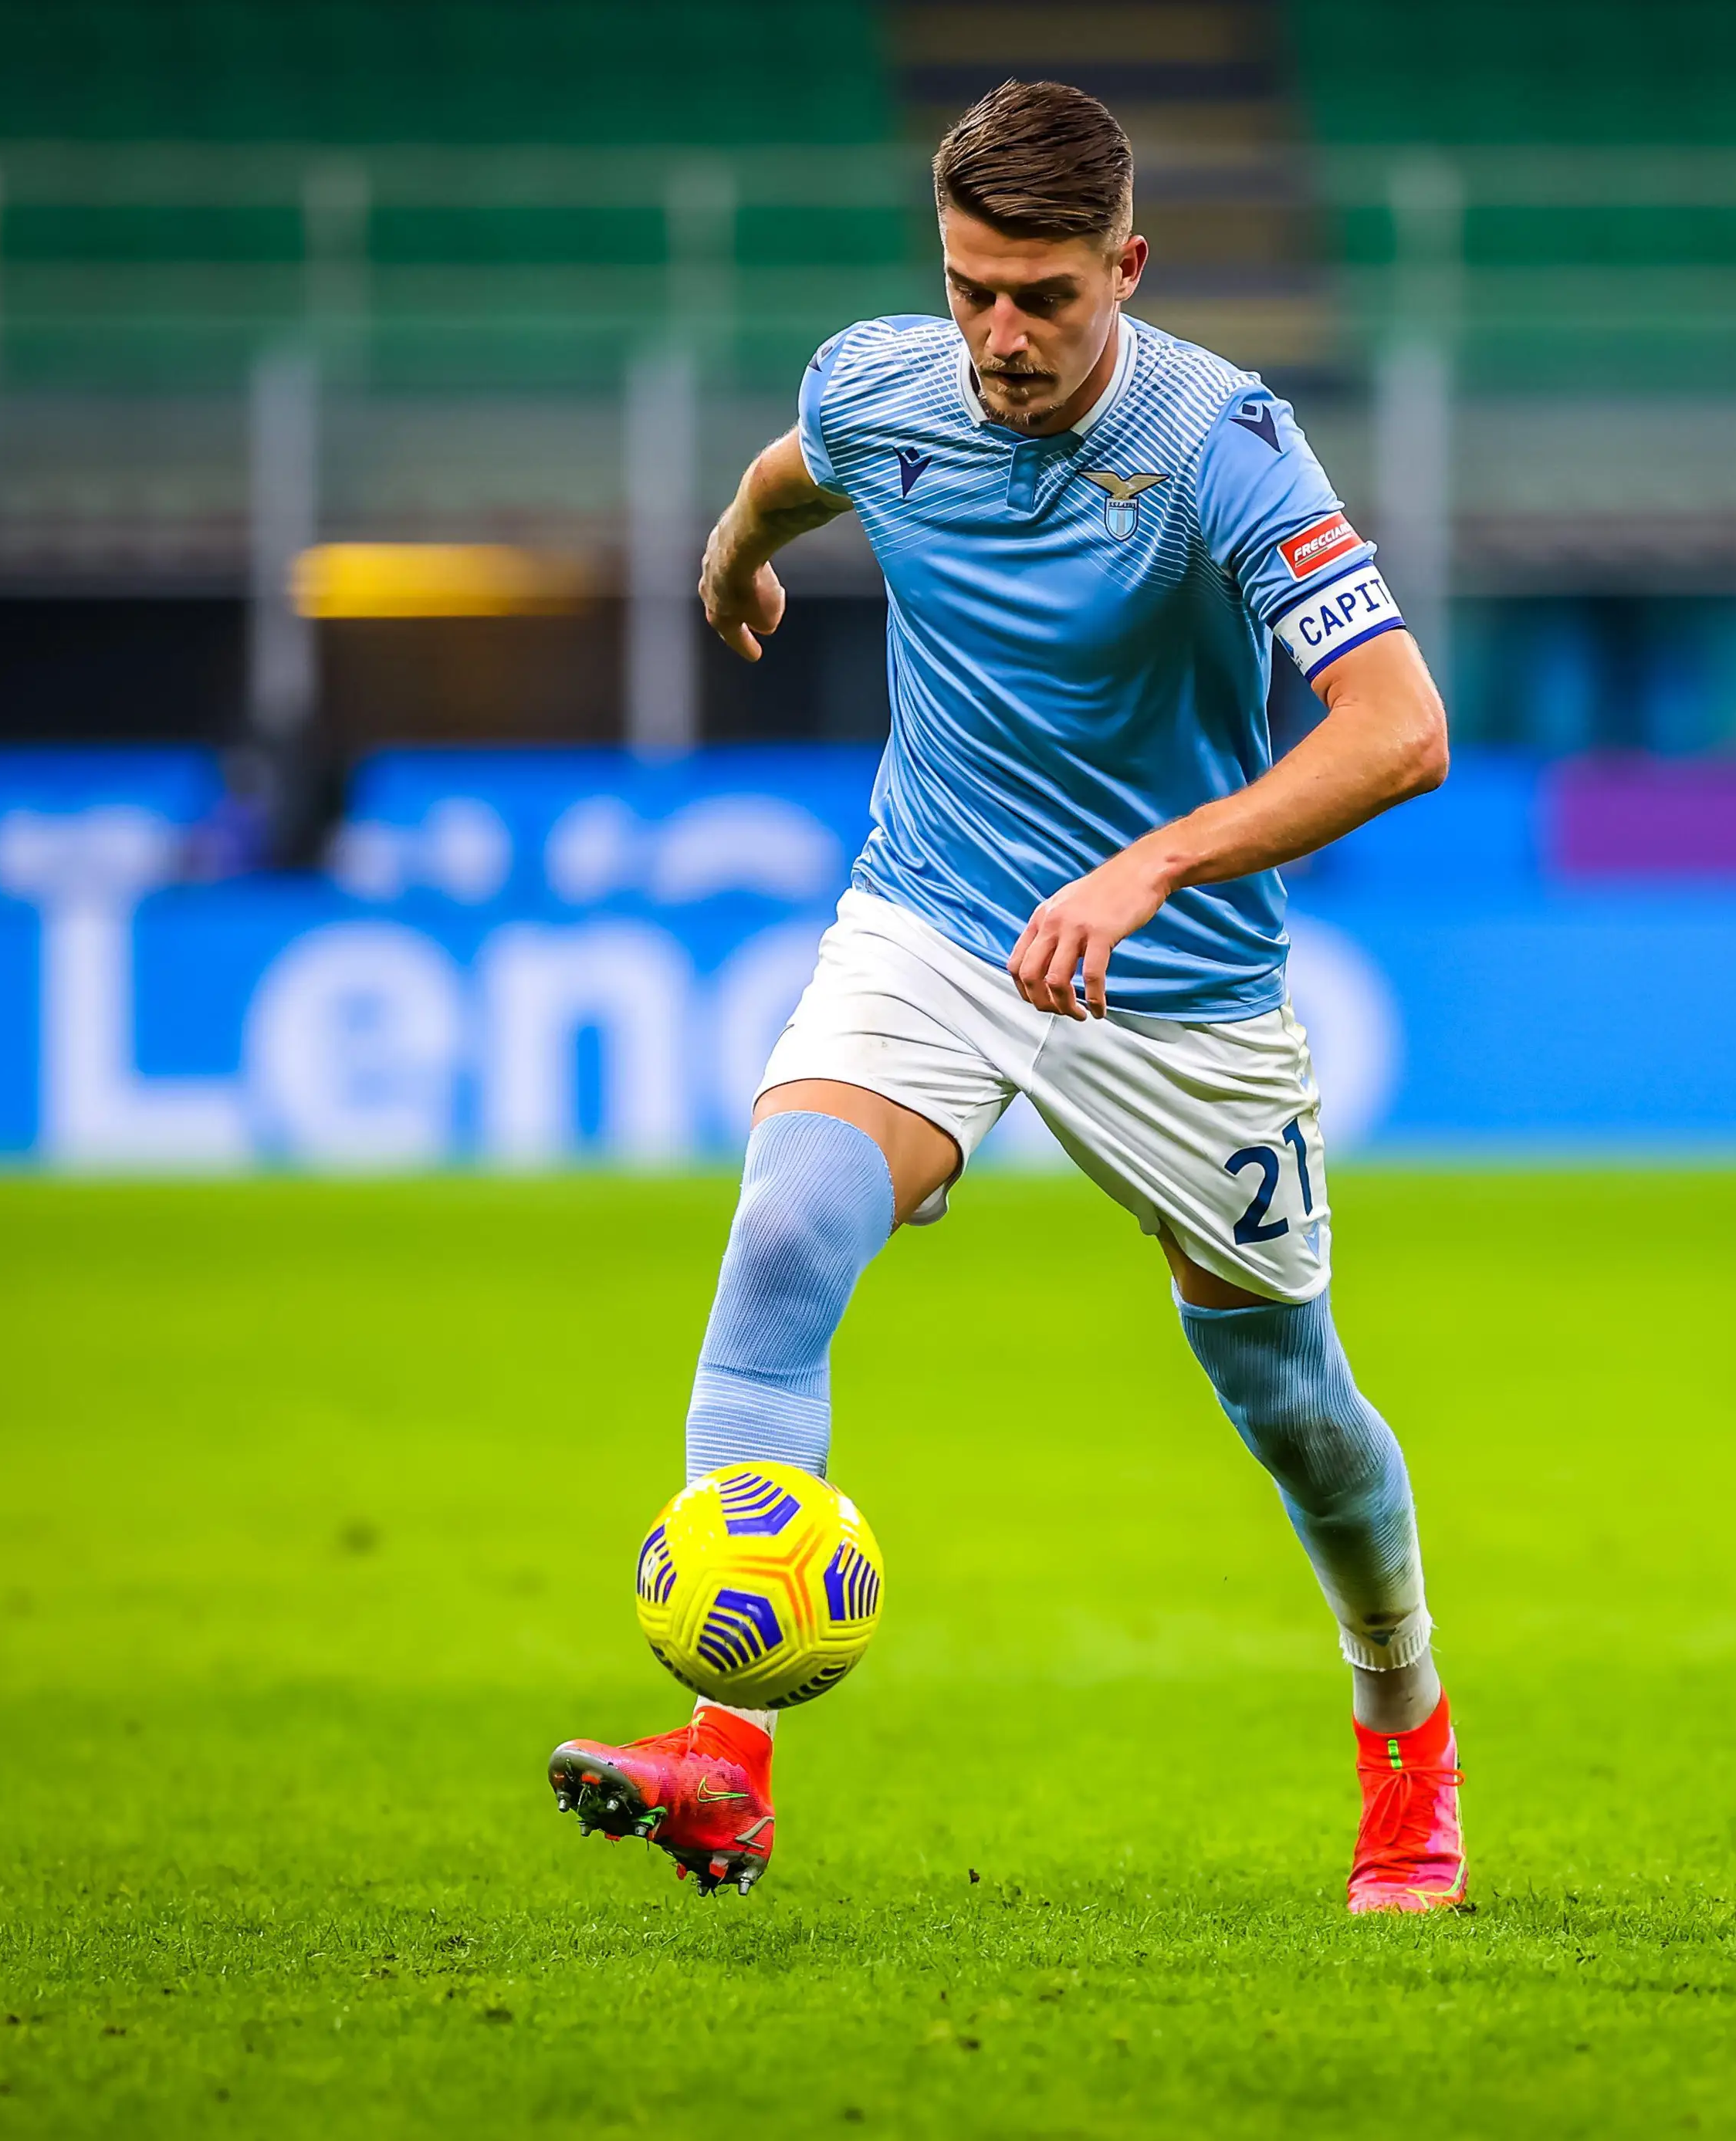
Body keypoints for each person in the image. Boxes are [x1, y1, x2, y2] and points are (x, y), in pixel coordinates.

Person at [547, 79, 1462, 1915]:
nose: (1002, 337)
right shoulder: (883, 383)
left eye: (1044, 295)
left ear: (1126, 266)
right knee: (786, 1230)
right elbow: (785, 476)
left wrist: (1152, 864)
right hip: (938, 919)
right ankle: (727, 1762)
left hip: (1178, 978)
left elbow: (1401, 729)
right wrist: (731, 563)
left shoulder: (1225, 446)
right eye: (972, 288)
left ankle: (1406, 1730)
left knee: (1289, 1397)